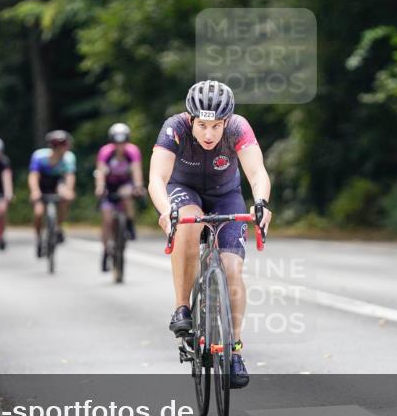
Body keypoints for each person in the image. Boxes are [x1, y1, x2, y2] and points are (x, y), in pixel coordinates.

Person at [147, 80, 272, 389]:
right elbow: (157, 179)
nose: (208, 134)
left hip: (226, 194)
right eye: (202, 125)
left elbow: (256, 173)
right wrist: (167, 211)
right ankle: (182, 307)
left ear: (226, 122)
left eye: (216, 126)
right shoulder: (174, 127)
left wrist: (261, 204)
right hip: (183, 191)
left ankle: (235, 350)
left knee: (232, 269)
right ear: (191, 119)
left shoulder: (238, 129)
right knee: (189, 221)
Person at [95, 122, 144, 271]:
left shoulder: (133, 151)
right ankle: (105, 251)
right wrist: (100, 187)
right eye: (116, 143)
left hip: (125, 184)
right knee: (107, 220)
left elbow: (136, 170)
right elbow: (101, 171)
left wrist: (138, 186)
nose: (120, 146)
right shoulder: (105, 152)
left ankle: (129, 224)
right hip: (109, 187)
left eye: (123, 142)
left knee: (127, 194)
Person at [28, 130, 77, 257]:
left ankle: (58, 227)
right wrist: (34, 191)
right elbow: (33, 176)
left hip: (57, 184)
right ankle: (39, 238)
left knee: (64, 197)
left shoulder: (68, 158)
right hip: (42, 184)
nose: (62, 148)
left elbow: (69, 176)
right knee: (38, 213)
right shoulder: (39, 156)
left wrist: (70, 190)